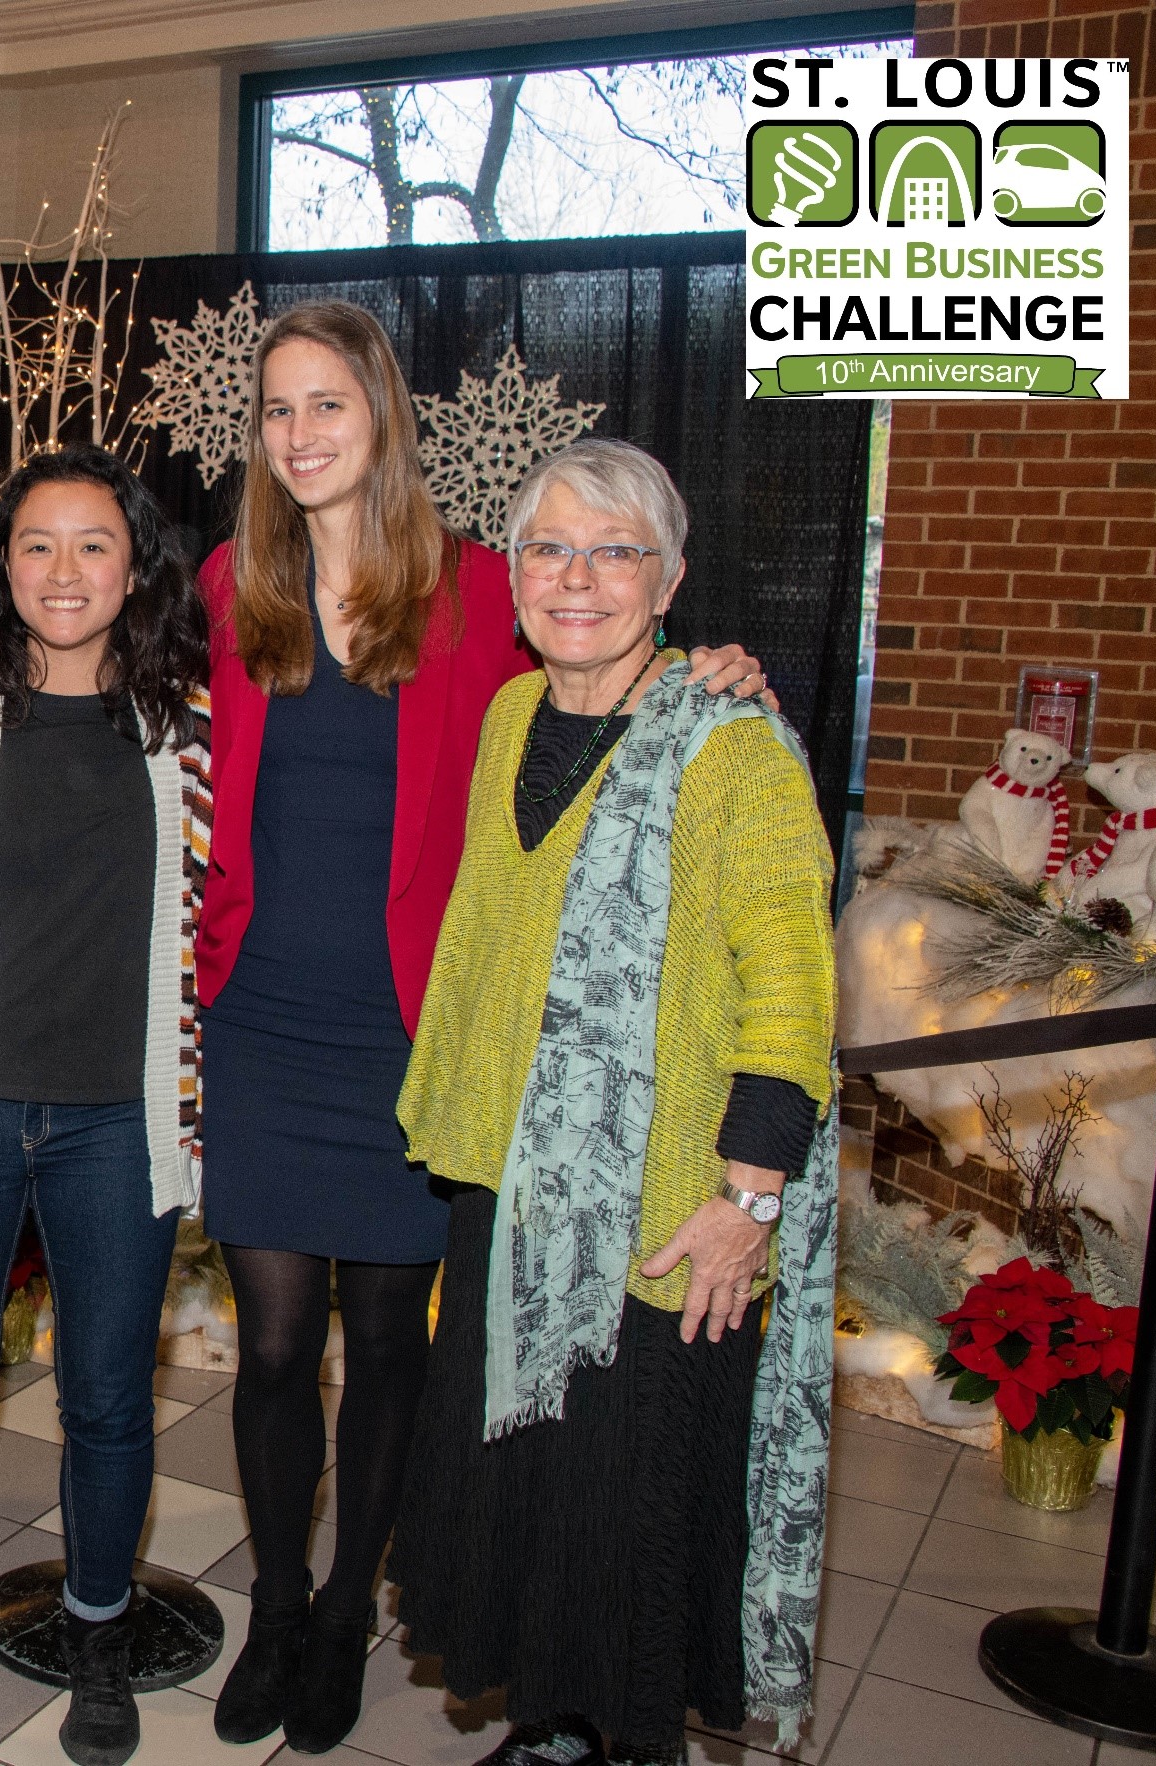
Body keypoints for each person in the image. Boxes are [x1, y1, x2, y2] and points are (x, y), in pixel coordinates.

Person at [194, 301, 774, 1754]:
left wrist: (716, 669)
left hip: (414, 1030)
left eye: (328, 403)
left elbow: (601, 671)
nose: (300, 433)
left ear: (382, 416)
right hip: (262, 1017)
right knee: (273, 1346)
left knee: (393, 1338)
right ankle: (275, 1606)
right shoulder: (229, 584)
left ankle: (350, 1611)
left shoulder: (472, 588)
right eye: (277, 408)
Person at [385, 437, 837, 1766]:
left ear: (669, 579)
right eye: (548, 548)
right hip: (511, 1187)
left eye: (614, 550)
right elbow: (492, 937)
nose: (576, 577)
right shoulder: (511, 718)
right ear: (514, 574)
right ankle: (551, 1728)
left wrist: (747, 1200)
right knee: (530, 1497)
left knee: (627, 1514)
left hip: (666, 1210)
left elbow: (791, 994)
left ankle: (623, 1741)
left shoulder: (734, 748)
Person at [0, 447, 211, 1766]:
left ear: (136, 567)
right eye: (36, 544)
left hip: (119, 1118)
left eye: (93, 544)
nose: (64, 571)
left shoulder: (192, 726)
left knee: (107, 1396)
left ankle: (98, 1631)